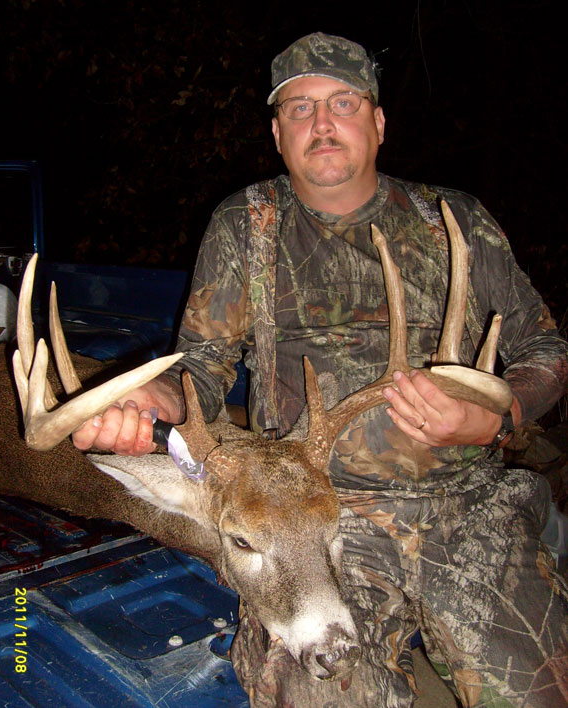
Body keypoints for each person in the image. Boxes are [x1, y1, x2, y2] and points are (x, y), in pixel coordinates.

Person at [73, 32, 568, 707]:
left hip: (470, 506)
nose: (323, 123)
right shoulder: (247, 224)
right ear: (279, 133)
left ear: (378, 122)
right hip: (305, 516)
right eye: (300, 109)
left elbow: (548, 350)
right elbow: (203, 371)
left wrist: (497, 415)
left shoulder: (456, 221)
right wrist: (152, 402)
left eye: (343, 103)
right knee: (320, 691)